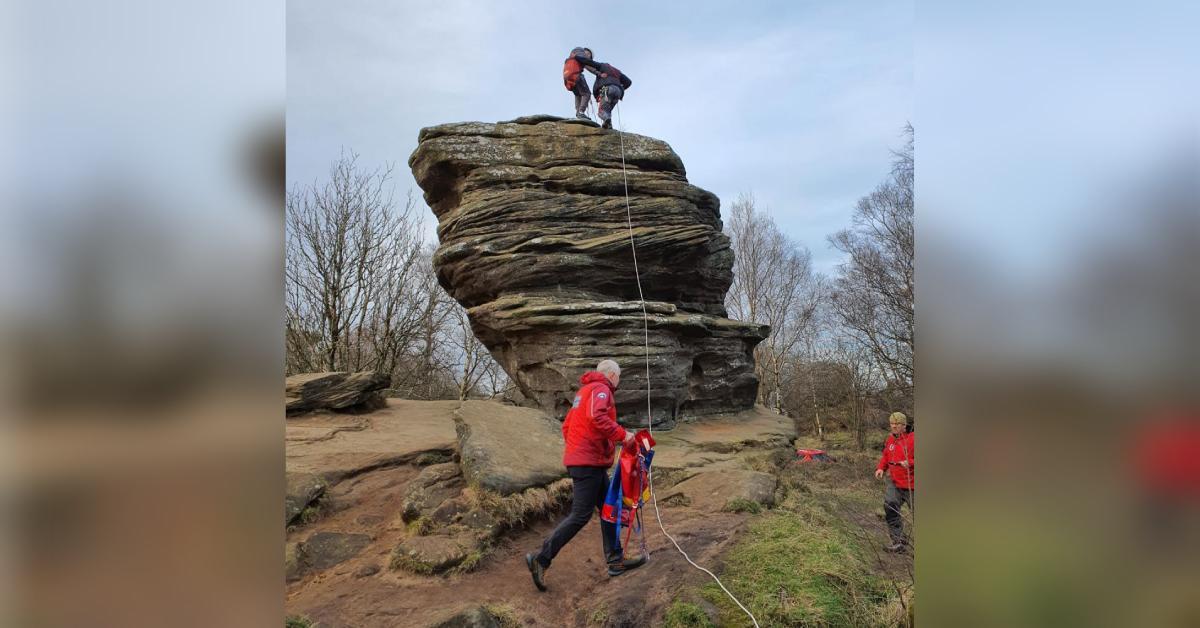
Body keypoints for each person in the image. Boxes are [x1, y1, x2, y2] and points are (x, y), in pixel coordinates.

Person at [526, 360, 645, 591]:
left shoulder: (583, 392)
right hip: (588, 463)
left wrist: (580, 448)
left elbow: (567, 427)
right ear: (612, 375)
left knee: (609, 511)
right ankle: (541, 559)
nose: (618, 382)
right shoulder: (602, 390)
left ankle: (615, 561)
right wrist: (623, 435)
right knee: (581, 515)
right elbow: (597, 418)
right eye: (618, 377)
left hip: (589, 462)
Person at [874, 411, 915, 552]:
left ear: (904, 425)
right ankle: (898, 541)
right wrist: (881, 468)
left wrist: (910, 462)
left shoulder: (914, 438)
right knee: (890, 506)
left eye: (897, 424)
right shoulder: (891, 439)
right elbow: (886, 456)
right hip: (895, 482)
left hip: (913, 484)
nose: (894, 426)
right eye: (892, 423)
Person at [573, 54, 632, 129]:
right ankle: (608, 125)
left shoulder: (602, 66)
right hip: (618, 92)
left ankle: (607, 121)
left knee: (602, 112)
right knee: (607, 111)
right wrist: (621, 88)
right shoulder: (618, 72)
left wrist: (576, 57)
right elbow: (629, 82)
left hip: (607, 90)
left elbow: (589, 62)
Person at [562, 47, 594, 120]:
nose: (589, 57)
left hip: (567, 77)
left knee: (578, 94)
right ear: (586, 52)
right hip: (576, 75)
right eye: (589, 55)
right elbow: (591, 68)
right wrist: (599, 73)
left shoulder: (572, 56)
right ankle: (581, 112)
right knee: (586, 93)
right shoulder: (581, 55)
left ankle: (578, 113)